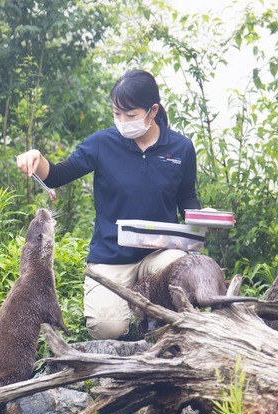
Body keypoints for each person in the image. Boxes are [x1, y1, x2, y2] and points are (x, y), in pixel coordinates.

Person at [15, 69, 201, 340]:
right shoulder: (102, 143)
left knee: (183, 268)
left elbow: (186, 198)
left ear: (153, 110)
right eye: (117, 114)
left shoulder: (181, 148)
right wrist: (36, 157)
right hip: (111, 257)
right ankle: (132, 333)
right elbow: (57, 174)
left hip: (160, 253)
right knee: (107, 328)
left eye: (131, 115)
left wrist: (201, 221)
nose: (123, 121)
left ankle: (160, 327)